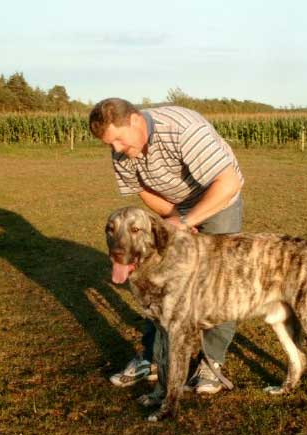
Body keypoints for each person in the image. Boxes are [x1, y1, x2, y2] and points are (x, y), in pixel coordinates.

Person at [89, 98, 244, 394]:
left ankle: (211, 364)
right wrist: (173, 219)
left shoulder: (184, 129)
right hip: (175, 208)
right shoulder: (122, 150)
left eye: (119, 140)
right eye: (110, 145)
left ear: (135, 120)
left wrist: (188, 223)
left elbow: (229, 183)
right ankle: (152, 359)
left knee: (219, 282)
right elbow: (142, 189)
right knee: (154, 282)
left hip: (218, 199)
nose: (117, 150)